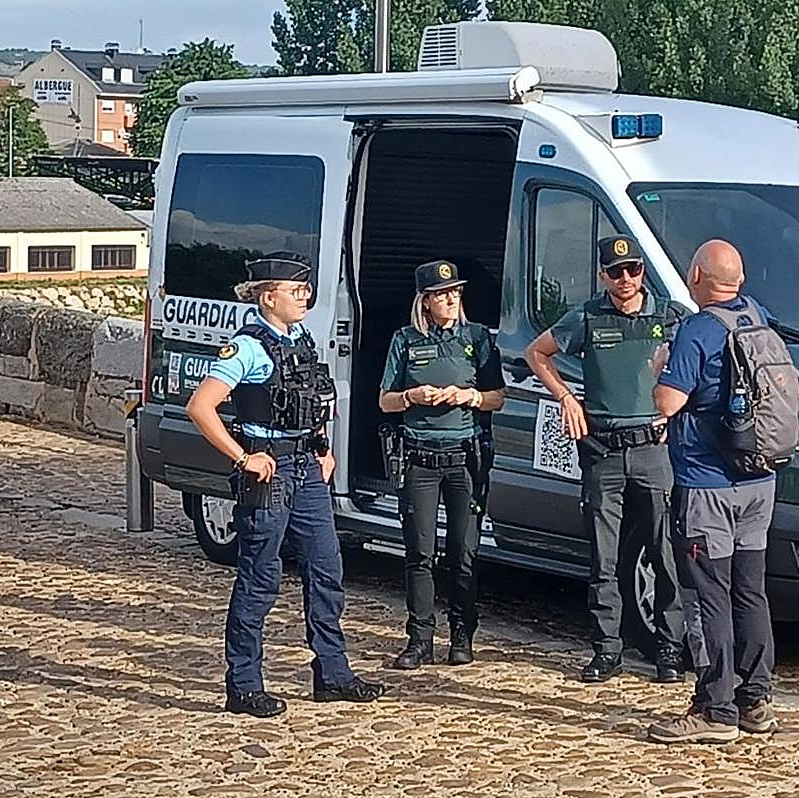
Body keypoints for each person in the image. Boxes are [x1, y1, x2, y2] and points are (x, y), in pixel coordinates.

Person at [186, 251, 384, 717]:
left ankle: (332, 673)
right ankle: (244, 684)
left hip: (306, 467)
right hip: (268, 469)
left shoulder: (301, 340)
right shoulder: (247, 347)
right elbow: (201, 407)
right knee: (260, 577)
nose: (306, 297)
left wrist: (323, 449)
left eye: (306, 290)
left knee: (326, 568)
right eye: (297, 292)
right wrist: (243, 457)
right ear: (268, 296)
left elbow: (312, 401)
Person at [525, 235, 686, 684]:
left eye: (632, 269)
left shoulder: (670, 317)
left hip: (654, 448)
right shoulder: (589, 316)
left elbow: (701, 361)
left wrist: (682, 410)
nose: (626, 279)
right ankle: (607, 648)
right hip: (603, 449)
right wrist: (565, 398)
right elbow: (536, 353)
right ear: (603, 276)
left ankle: (669, 648)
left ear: (642, 271)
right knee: (605, 556)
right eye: (615, 272)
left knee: (663, 551)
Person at [648, 239, 778, 743]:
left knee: (708, 595)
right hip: (759, 480)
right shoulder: (756, 317)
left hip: (707, 485)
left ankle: (715, 707)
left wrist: (659, 369)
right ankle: (755, 700)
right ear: (738, 281)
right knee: (751, 590)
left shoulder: (700, 330)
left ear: (697, 275)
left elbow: (667, 402)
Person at [378, 259, 505, 669]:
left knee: (464, 551)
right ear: (426, 301)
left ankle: (462, 635)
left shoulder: (477, 337)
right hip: (420, 457)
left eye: (454, 293)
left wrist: (468, 397)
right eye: (441, 295)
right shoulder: (406, 340)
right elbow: (384, 399)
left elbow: (496, 396)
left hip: (464, 458)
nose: (450, 300)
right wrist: (413, 397)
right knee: (419, 551)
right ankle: (419, 639)